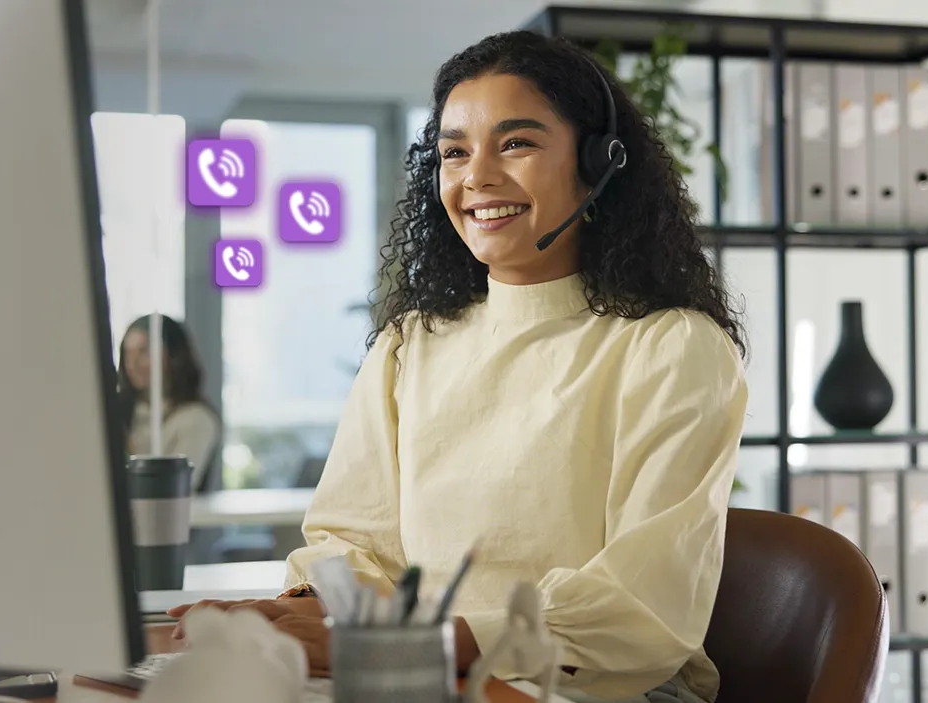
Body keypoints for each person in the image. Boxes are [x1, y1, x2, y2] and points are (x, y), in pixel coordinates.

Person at [165, 30, 748, 703]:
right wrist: (306, 613)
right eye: (454, 152)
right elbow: (350, 538)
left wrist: (411, 642)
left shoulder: (672, 347)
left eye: (516, 143)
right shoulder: (411, 343)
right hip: (424, 672)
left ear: (599, 163)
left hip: (604, 688)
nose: (477, 177)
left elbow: (636, 608)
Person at [117, 314, 223, 490]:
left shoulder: (195, 419)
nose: (133, 363)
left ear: (173, 356)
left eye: (144, 351)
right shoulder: (123, 414)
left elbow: (174, 488)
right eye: (128, 353)